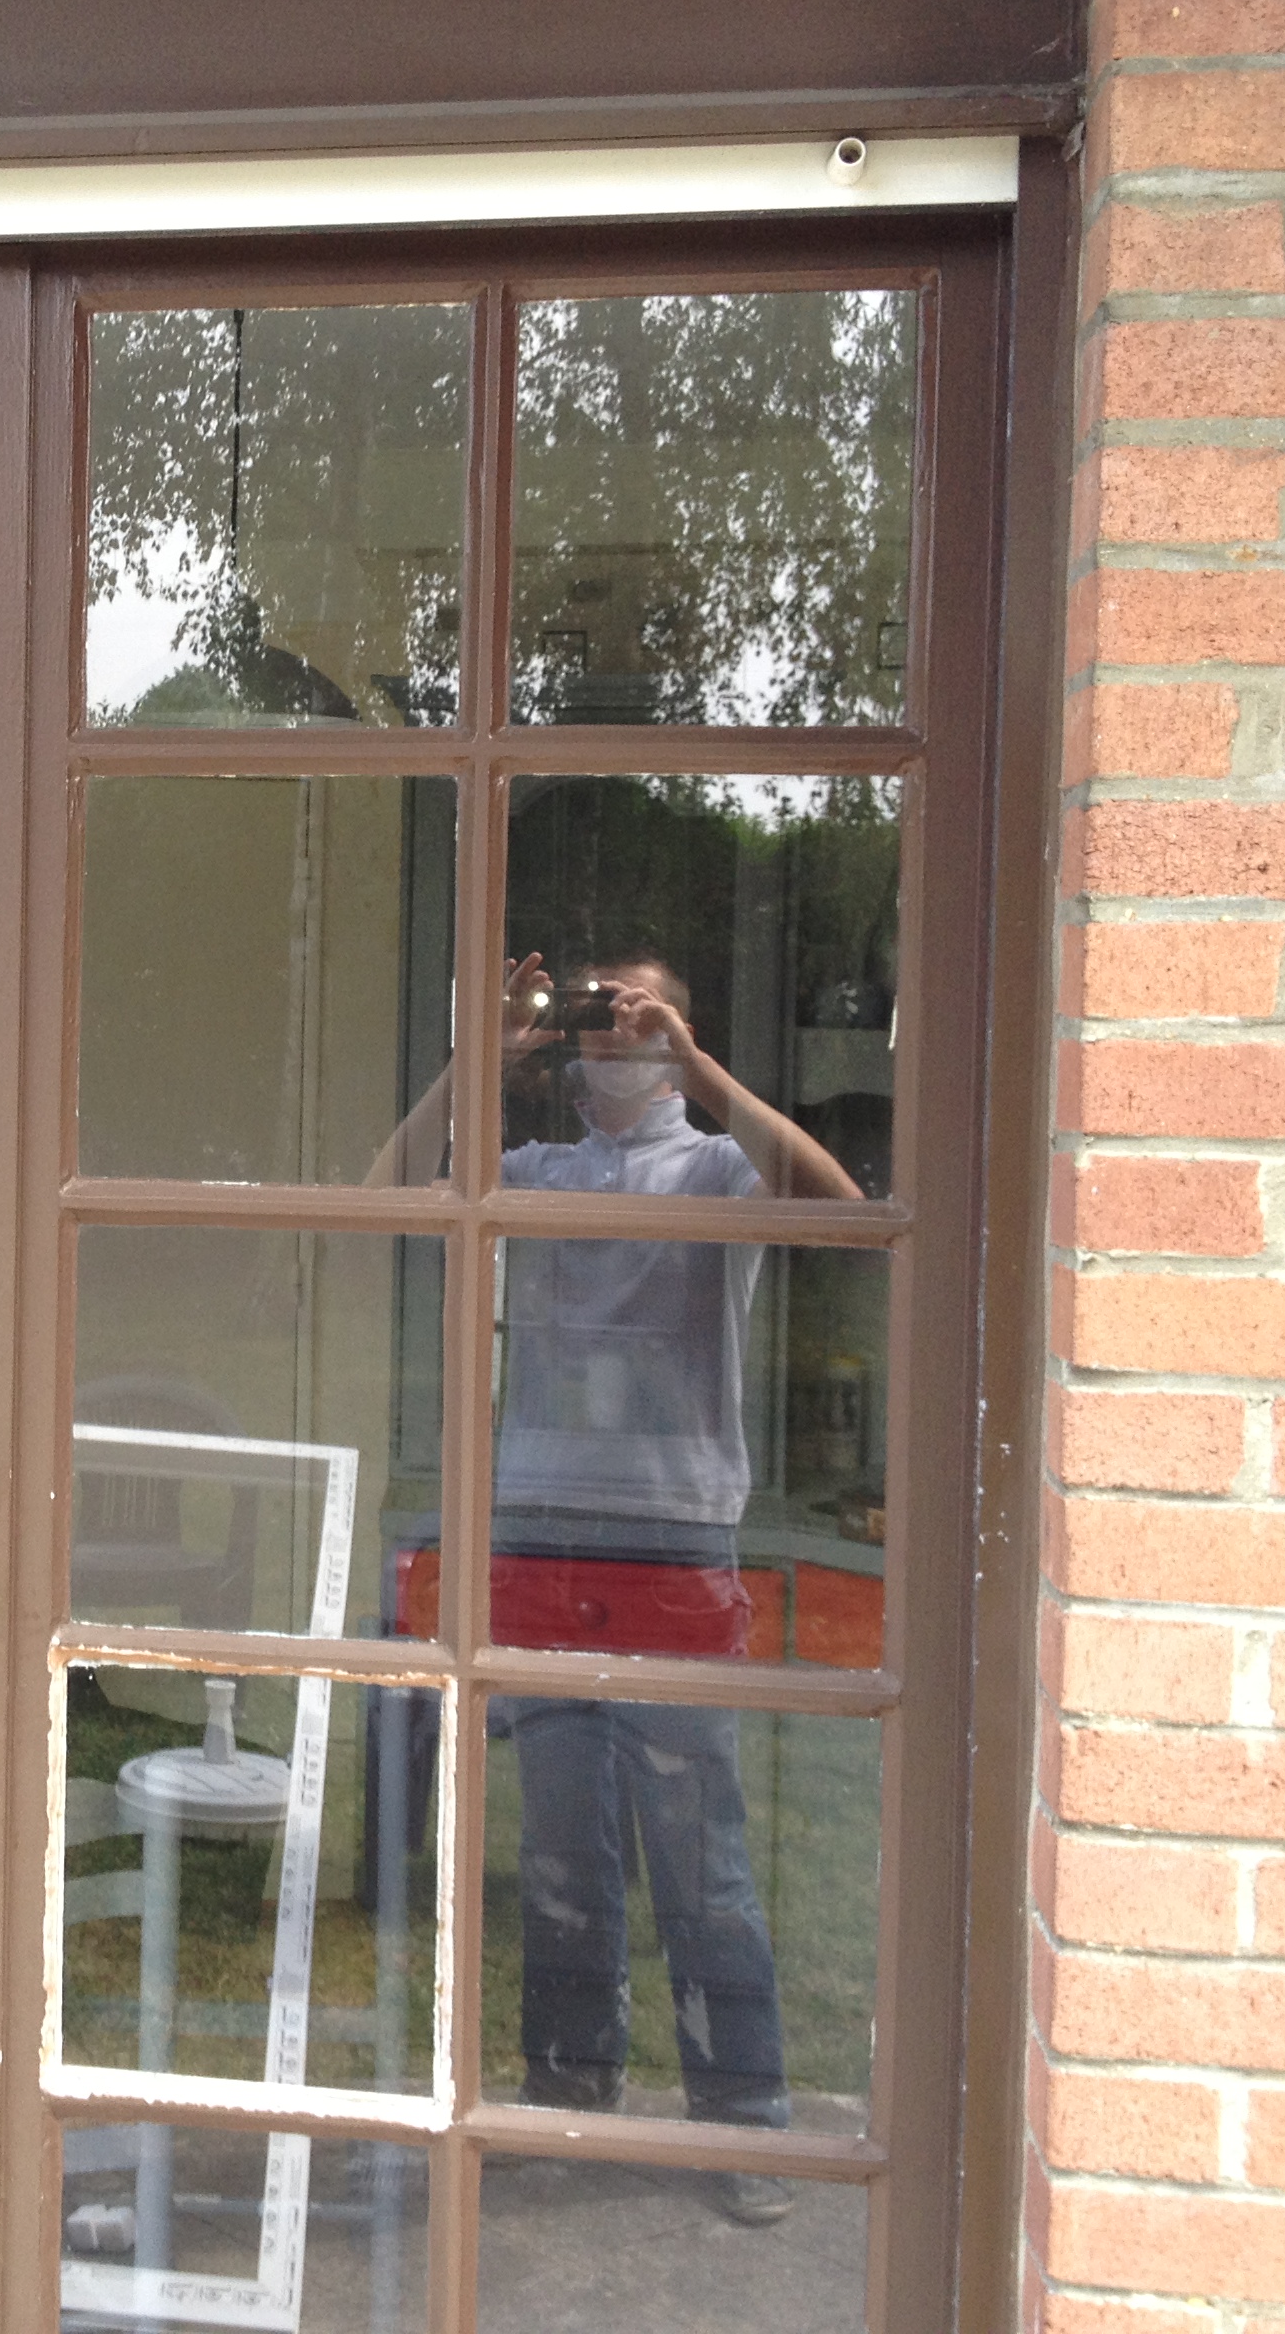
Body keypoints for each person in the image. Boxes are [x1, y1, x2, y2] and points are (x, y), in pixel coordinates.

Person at [376, 947, 857, 2229]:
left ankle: (743, 2121)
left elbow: (842, 1203)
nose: (612, 1028)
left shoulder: (714, 1167)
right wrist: (481, 1062)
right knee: (559, 1852)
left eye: (641, 1014)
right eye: (597, 1010)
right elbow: (380, 1201)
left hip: (673, 1535)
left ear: (683, 1038)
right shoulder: (537, 1171)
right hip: (540, 1529)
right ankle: (567, 2090)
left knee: (701, 1857)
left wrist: (699, 1069)